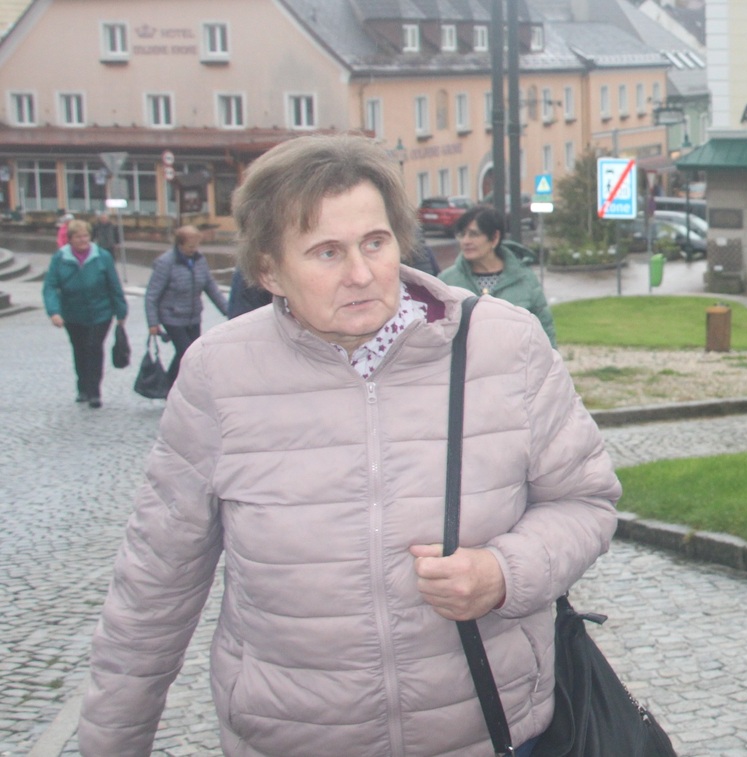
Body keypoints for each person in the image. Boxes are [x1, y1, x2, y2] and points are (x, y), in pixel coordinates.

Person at [79, 134, 622, 756]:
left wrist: (504, 573)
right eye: (327, 252)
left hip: (490, 734)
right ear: (268, 271)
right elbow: (155, 582)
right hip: (292, 739)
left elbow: (585, 501)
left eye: (375, 242)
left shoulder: (505, 345)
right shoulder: (217, 375)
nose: (360, 274)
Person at [42, 218, 128, 408]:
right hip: (73, 313)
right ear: (70, 239)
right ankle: (82, 387)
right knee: (80, 349)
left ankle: (94, 391)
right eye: (78, 237)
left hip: (100, 312)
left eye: (86, 236)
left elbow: (114, 285)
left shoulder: (102, 256)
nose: (83, 240)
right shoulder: (60, 258)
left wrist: (121, 311)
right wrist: (54, 312)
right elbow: (50, 286)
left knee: (94, 348)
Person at [439, 203, 554, 344]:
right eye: (462, 234)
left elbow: (544, 328)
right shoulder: (447, 281)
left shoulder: (524, 278)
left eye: (474, 234)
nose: (466, 241)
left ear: (494, 238)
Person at [143, 225, 228, 384]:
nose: (194, 249)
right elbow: (152, 295)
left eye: (196, 245)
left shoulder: (199, 260)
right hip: (172, 317)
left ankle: (170, 384)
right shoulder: (165, 263)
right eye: (190, 246)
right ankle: (172, 385)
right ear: (180, 244)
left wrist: (229, 310)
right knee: (187, 353)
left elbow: (211, 287)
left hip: (193, 316)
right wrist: (152, 322)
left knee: (190, 353)